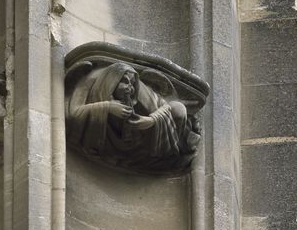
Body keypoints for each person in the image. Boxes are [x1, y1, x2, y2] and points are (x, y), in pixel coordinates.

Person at [66, 61, 198, 172]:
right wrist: (108, 107)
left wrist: (151, 120)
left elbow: (173, 106)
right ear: (111, 80)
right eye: (124, 81)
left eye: (132, 83)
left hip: (140, 149)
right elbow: (74, 114)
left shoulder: (140, 93)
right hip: (100, 144)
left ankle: (178, 149)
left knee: (179, 110)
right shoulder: (91, 80)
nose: (130, 87)